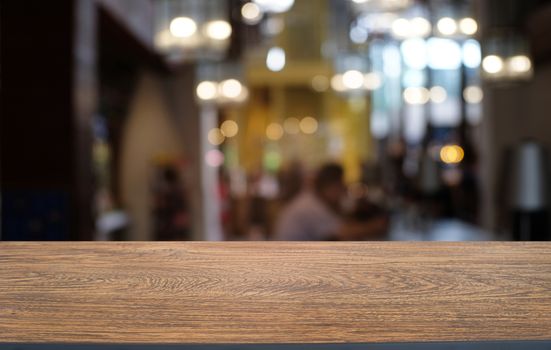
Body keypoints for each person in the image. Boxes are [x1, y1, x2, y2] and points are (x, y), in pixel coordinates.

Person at [274, 163, 387, 240]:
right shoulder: (310, 206)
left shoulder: (312, 199)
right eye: (341, 185)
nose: (343, 190)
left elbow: (339, 225)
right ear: (332, 186)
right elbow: (342, 233)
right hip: (291, 263)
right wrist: (376, 226)